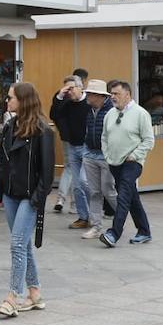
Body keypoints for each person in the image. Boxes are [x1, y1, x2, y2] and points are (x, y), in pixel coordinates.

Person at [0, 82, 53, 318]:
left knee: (17, 243)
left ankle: (13, 297)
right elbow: (0, 161)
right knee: (23, 243)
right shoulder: (9, 126)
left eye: (10, 98)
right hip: (10, 194)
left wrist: (37, 199)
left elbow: (47, 173)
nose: (7, 101)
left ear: (23, 100)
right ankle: (35, 292)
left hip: (30, 197)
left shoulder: (43, 131)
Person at [99, 80, 155, 247]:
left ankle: (114, 233)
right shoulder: (110, 114)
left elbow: (149, 140)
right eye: (111, 94)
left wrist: (135, 155)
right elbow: (104, 137)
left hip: (132, 162)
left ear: (127, 95)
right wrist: (107, 154)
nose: (113, 97)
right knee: (131, 197)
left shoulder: (141, 113)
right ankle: (144, 231)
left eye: (116, 94)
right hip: (114, 162)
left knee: (123, 196)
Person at [78, 80, 117, 239]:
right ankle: (96, 227)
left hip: (105, 156)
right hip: (90, 154)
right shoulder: (89, 110)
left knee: (108, 190)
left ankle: (124, 215)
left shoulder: (112, 111)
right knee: (94, 192)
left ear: (99, 96)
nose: (87, 96)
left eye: (90, 94)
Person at [49, 75, 90, 224]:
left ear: (80, 87)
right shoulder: (67, 103)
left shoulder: (89, 102)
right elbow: (54, 114)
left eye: (71, 89)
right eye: (67, 90)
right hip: (72, 146)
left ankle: (93, 213)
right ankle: (83, 217)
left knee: (85, 182)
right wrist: (60, 95)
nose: (69, 93)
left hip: (87, 147)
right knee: (78, 185)